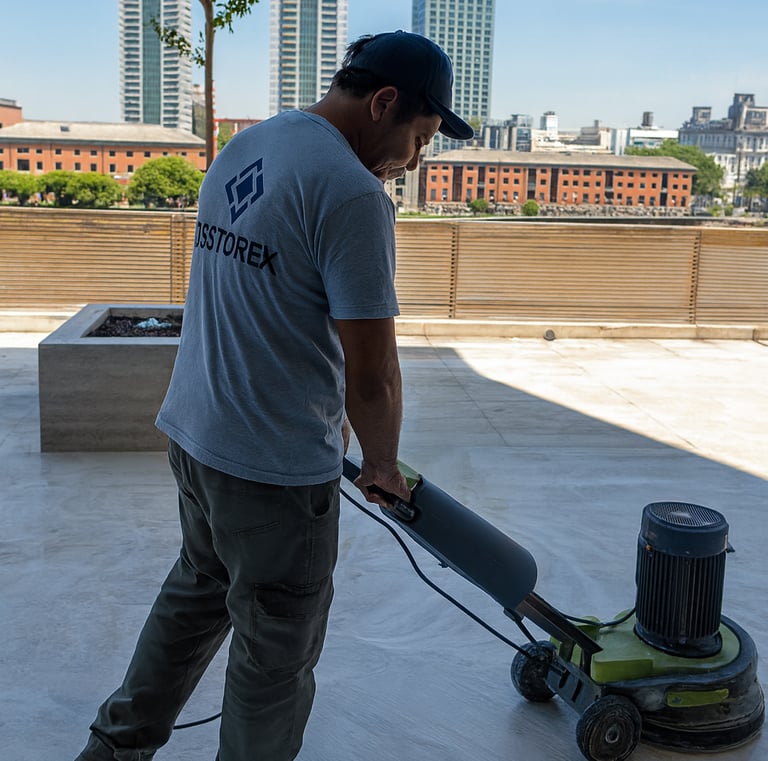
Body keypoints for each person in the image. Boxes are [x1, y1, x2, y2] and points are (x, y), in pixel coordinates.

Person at [75, 30, 474, 761]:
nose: (414, 161)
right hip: (272, 471)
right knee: (273, 661)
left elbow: (262, 299)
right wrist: (383, 464)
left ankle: (111, 749)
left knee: (195, 595)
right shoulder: (353, 194)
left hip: (196, 436)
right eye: (419, 139)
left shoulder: (250, 144)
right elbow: (374, 371)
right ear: (383, 103)